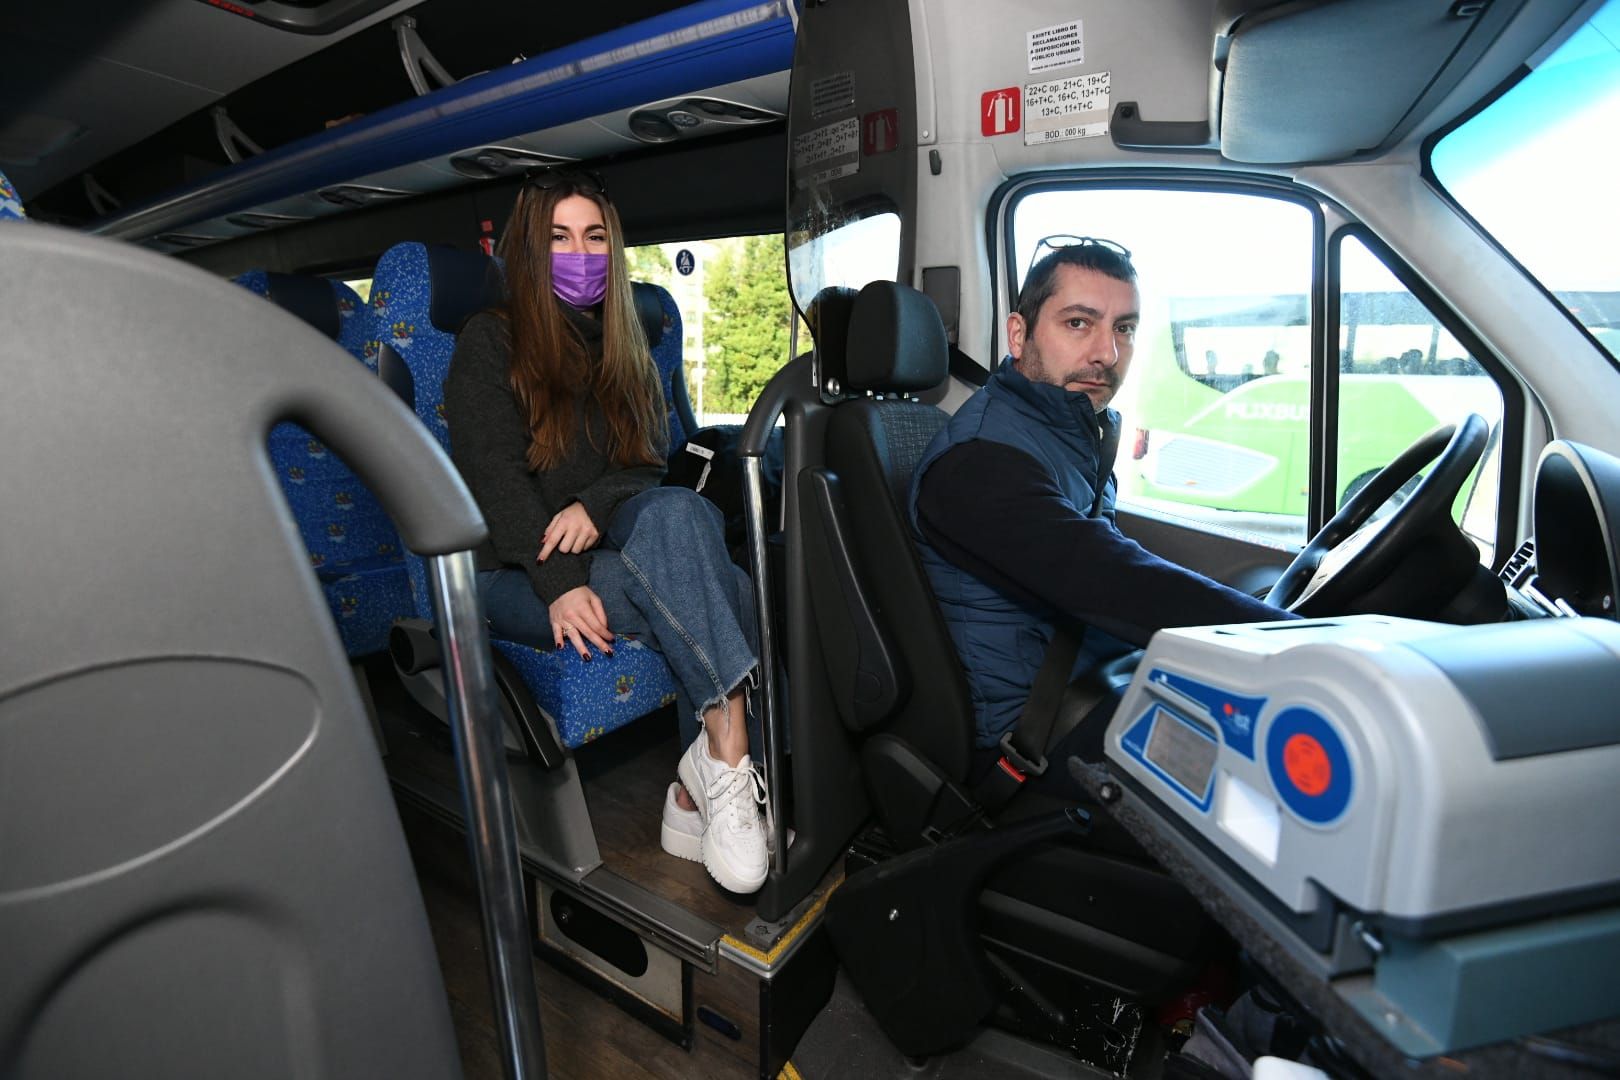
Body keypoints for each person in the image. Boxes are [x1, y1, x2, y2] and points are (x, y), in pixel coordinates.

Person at [444, 168, 768, 893]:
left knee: (685, 515)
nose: (581, 253)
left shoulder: (625, 348)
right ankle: (712, 781)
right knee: (729, 588)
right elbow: (498, 484)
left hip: (613, 542)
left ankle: (714, 766)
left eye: (594, 237)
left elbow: (649, 466)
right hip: (513, 573)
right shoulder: (487, 344)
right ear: (529, 250)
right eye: (559, 238)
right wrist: (557, 585)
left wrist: (593, 505)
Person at [909, 237, 1296, 795]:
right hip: (1032, 744)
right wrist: (1295, 641)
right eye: (1078, 324)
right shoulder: (980, 461)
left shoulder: (1064, 433)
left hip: (1092, 688)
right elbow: (1110, 578)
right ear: (1019, 335)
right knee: (1273, 779)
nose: (1107, 354)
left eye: (1124, 329)